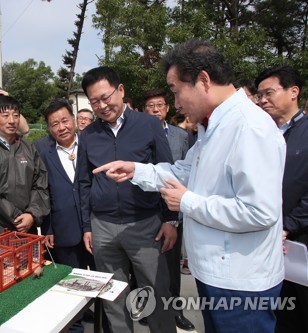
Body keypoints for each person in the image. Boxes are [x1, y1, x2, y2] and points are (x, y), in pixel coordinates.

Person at [94, 39, 286, 333]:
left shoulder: (250, 128)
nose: (177, 103)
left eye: (175, 91)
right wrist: (136, 170)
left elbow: (259, 212)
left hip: (241, 281)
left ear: (203, 81)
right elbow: (185, 170)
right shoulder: (214, 126)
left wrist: (187, 203)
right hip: (217, 274)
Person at [78, 66, 177, 333]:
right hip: (103, 227)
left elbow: (167, 173)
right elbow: (84, 183)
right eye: (94, 101)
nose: (101, 105)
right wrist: (88, 227)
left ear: (120, 90)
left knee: (156, 292)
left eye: (106, 96)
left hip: (145, 226)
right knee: (113, 297)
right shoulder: (87, 135)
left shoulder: (149, 125)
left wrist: (170, 220)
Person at [255, 65, 308, 333]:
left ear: (293, 92)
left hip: (298, 239)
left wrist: (289, 225)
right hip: (268, 236)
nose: (263, 100)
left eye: (269, 93)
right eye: (259, 95)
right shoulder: (263, 133)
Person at [35, 99, 95, 333]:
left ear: (74, 120)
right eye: (54, 124)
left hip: (96, 228)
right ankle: (75, 328)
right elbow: (43, 192)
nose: (61, 127)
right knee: (70, 288)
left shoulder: (92, 144)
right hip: (63, 229)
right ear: (49, 128)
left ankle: (109, 325)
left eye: (64, 120)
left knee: (105, 281)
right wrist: (48, 228)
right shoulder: (42, 150)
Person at [142, 88, 195, 331]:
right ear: (144, 110)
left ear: (167, 108)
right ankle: (146, 308)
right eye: (150, 106)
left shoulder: (181, 136)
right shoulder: (138, 134)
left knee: (172, 267)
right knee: (146, 267)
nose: (155, 110)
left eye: (159, 105)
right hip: (145, 211)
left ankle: (176, 311)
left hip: (174, 209)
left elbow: (188, 172)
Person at [0, 95, 50, 243]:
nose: (12, 120)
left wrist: (32, 214)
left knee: (31, 266)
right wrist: (17, 218)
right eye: (5, 116)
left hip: (27, 230)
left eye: (16, 115)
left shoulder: (29, 148)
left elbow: (40, 185)